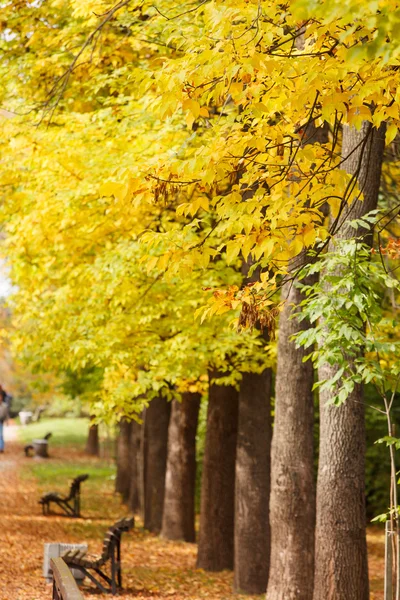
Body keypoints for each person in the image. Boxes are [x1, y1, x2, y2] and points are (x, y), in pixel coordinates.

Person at [0, 386, 9, 453]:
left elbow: (6, 414)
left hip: (1, 420)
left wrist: (7, 421)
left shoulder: (4, 406)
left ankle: (1, 447)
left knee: (1, 434)